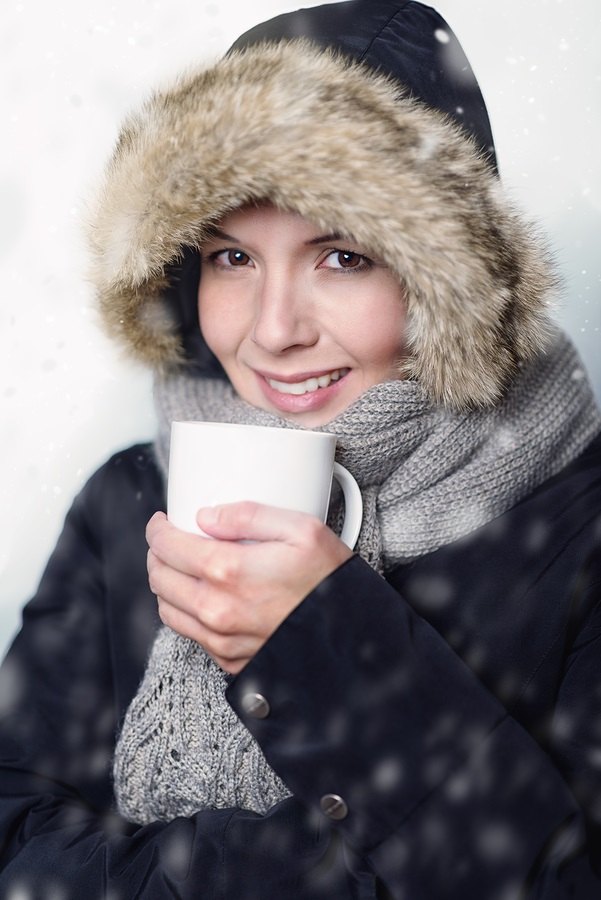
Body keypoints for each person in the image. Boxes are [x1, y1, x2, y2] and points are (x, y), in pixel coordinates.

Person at [1, 1, 600, 896]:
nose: (274, 331)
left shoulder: (578, 530)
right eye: (231, 259)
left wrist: (324, 637)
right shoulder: (128, 502)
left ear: (452, 281)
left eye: (343, 256)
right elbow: (15, 834)